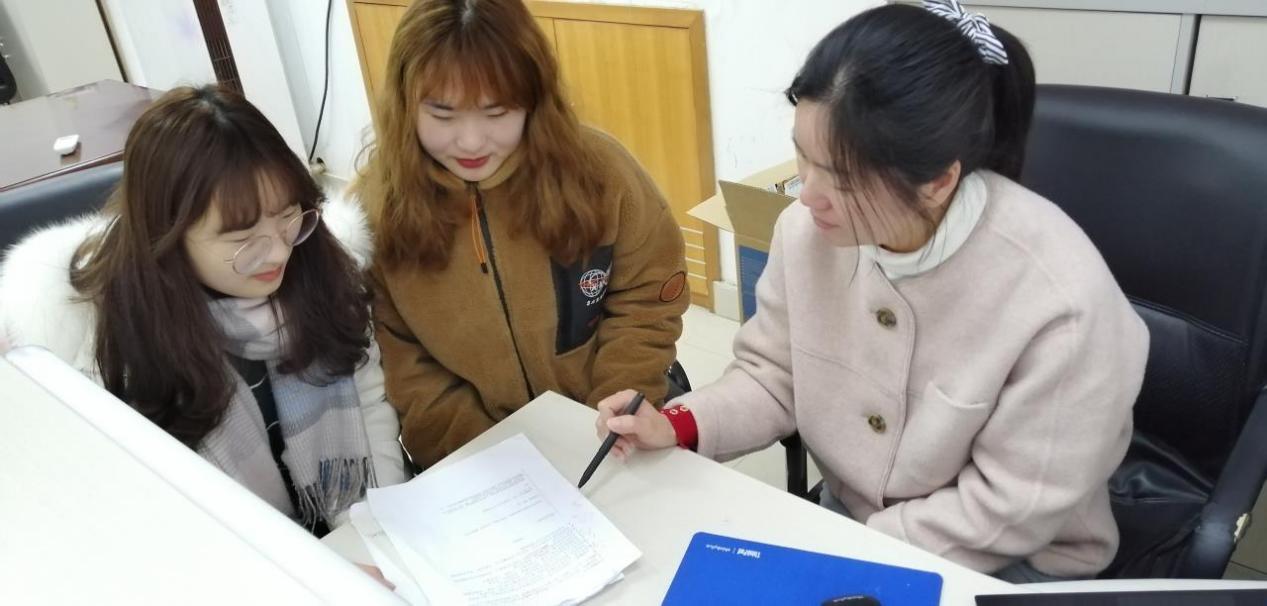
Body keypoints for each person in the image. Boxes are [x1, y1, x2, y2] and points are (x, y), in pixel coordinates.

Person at [595, 0, 1149, 583]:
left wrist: (841, 552)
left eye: (842, 177)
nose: (808, 195)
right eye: (803, 157)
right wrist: (678, 424)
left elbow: (1010, 508)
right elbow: (774, 376)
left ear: (939, 181)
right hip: (855, 525)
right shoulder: (806, 232)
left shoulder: (1061, 301)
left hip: (1010, 560)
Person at [0, 85, 408, 536]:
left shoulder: (320, 266)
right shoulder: (110, 346)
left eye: (288, 217)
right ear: (168, 236)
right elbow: (145, 522)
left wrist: (378, 531)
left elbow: (370, 406)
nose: (278, 252)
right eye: (242, 240)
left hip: (350, 536)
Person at [355, 0, 691, 468]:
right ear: (405, 105)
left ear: (534, 98)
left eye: (496, 113)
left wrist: (612, 409)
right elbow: (402, 359)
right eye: (443, 115)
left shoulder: (601, 173)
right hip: (481, 460)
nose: (471, 142)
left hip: (612, 430)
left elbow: (647, 298)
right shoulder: (375, 210)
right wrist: (488, 453)